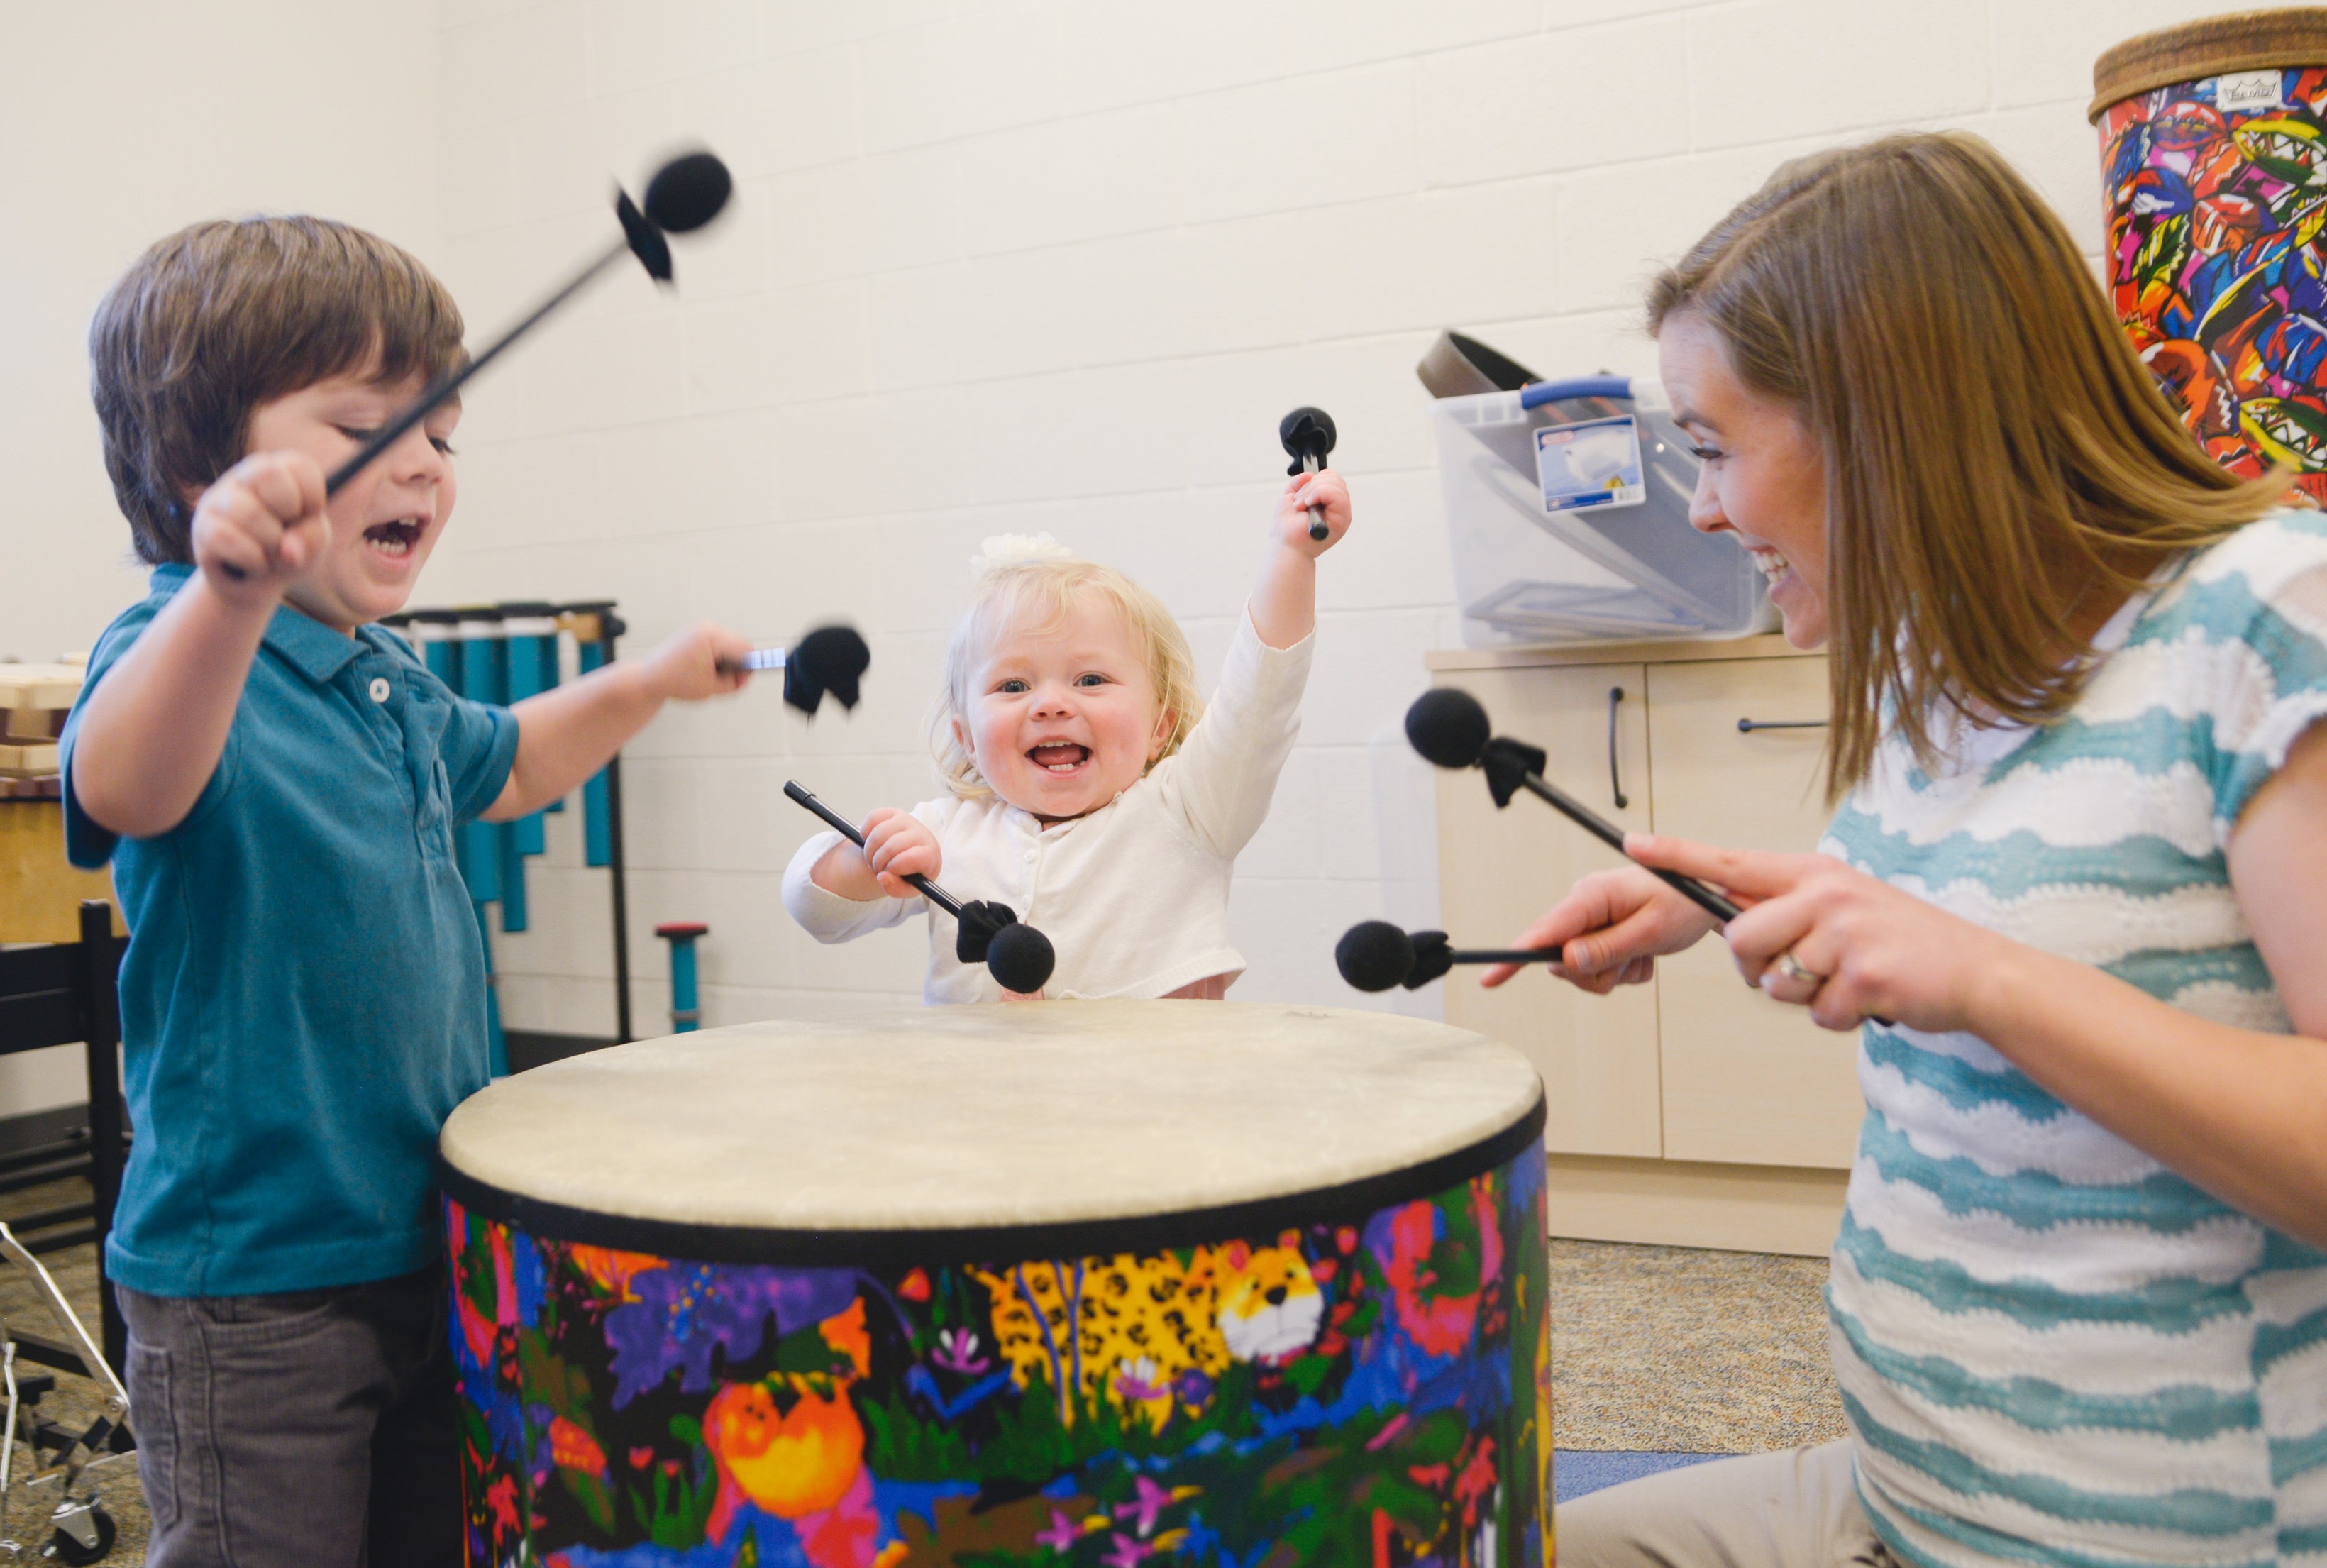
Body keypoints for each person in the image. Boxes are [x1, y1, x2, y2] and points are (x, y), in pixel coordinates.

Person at [1484, 133, 2327, 1566]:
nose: (1697, 507)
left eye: (1709, 444)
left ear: (1883, 421)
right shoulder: (1937, 654)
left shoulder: (2264, 617)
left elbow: (1999, 959)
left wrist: (1978, 975)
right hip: (1902, 1489)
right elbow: (2051, 888)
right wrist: (1742, 893)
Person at [61, 216, 753, 1565]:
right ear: (210, 460)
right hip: (252, 1287)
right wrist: (225, 592)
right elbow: (126, 784)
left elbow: (507, 765)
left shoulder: (378, 673)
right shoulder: (178, 647)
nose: (426, 465)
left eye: (442, 432)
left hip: (427, 1238)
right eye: (370, 425)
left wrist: (647, 682)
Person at [782, 474, 1350, 1001]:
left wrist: (1291, 556)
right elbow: (813, 909)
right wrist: (866, 862)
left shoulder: (1191, 810)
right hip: (979, 1105)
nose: (1051, 703)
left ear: (1161, 727)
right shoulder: (947, 832)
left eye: (1091, 679)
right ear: (969, 740)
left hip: (1157, 1103)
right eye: (1012, 685)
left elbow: (1261, 700)